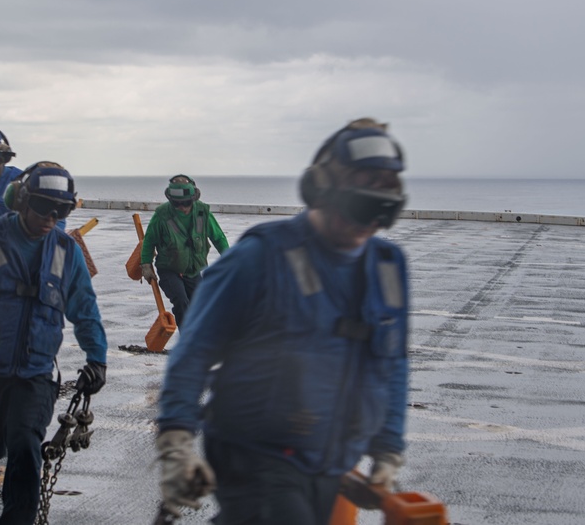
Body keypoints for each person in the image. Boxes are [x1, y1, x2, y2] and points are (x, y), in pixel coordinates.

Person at [154, 118, 411, 524]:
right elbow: (193, 352)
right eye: (358, 208)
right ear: (320, 190)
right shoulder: (261, 258)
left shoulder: (388, 268)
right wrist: (175, 441)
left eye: (380, 213)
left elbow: (392, 363)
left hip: (329, 461)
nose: (365, 228)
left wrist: (388, 449)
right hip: (255, 454)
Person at [0, 161, 108, 525]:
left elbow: (85, 308)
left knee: (27, 450)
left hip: (36, 374)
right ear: (21, 200)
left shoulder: (65, 251)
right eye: (44, 207)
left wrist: (97, 358)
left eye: (62, 210)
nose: (51, 217)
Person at [139, 175, 230, 329]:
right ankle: (186, 342)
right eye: (177, 204)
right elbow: (149, 240)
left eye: (186, 203)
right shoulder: (162, 214)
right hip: (169, 269)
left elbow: (218, 238)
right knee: (181, 301)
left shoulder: (202, 212)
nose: (182, 207)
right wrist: (146, 264)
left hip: (193, 270)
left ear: (193, 198)